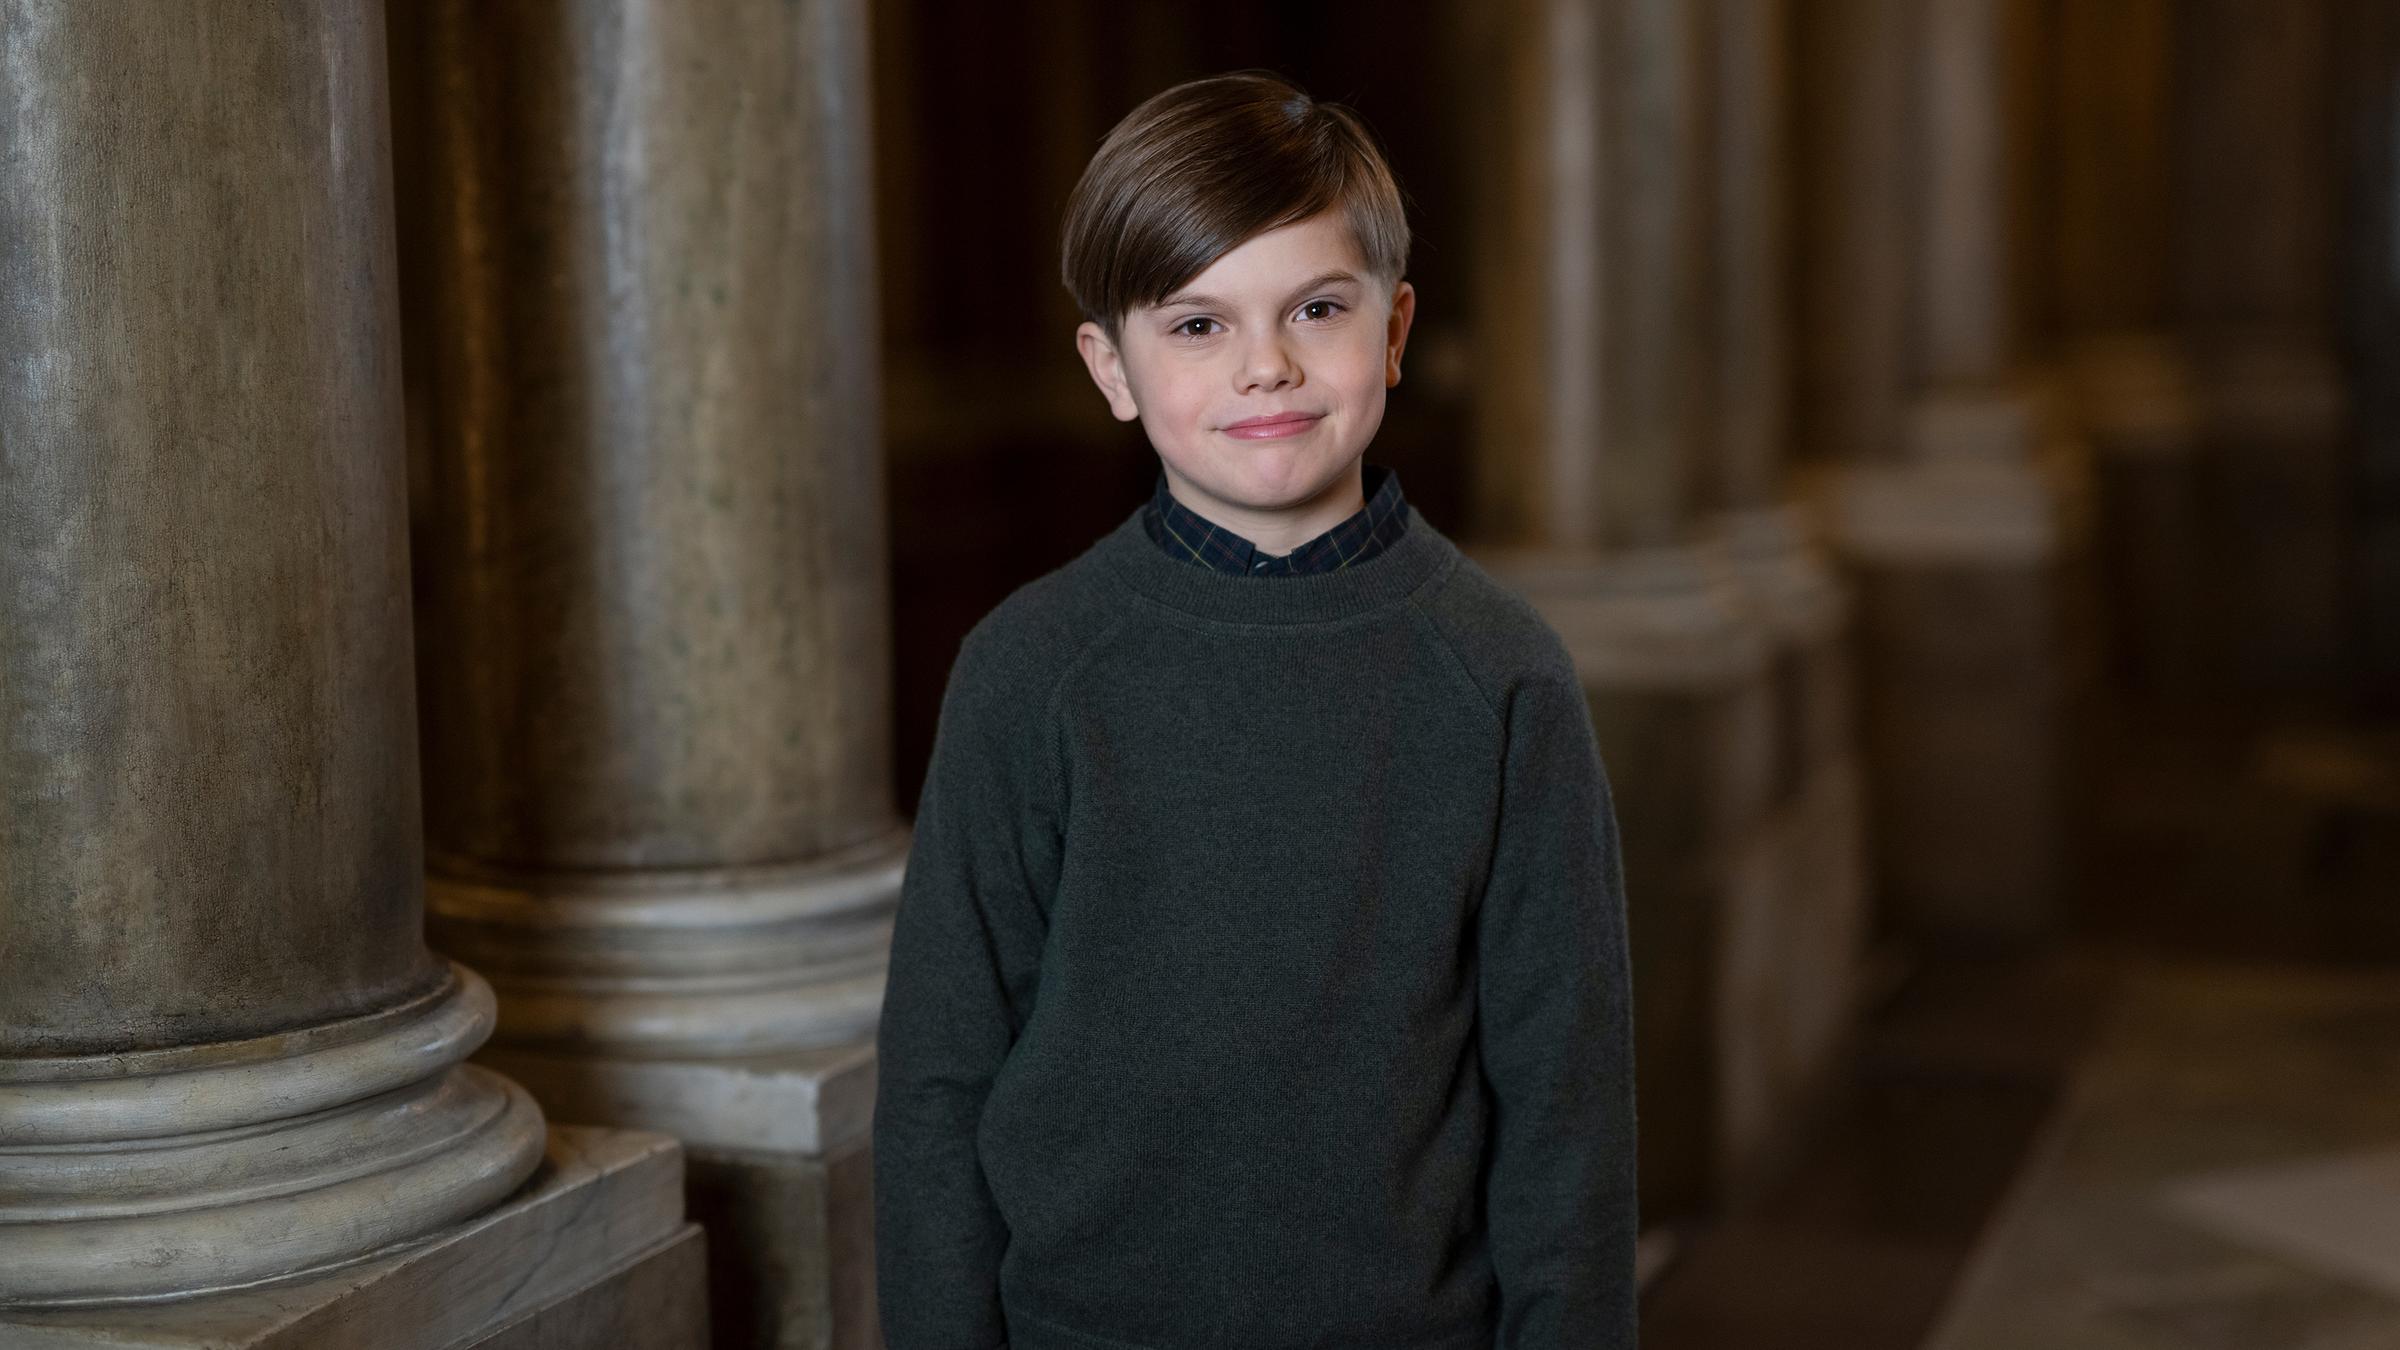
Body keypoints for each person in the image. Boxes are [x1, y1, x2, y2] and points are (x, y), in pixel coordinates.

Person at [872, 69, 1636, 1350]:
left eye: (1315, 308)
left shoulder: (1503, 681)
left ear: (1392, 332)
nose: (1267, 364)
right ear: (1109, 368)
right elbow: (942, 1081)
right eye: (1196, 325)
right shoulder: (1029, 670)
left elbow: (1567, 1110)